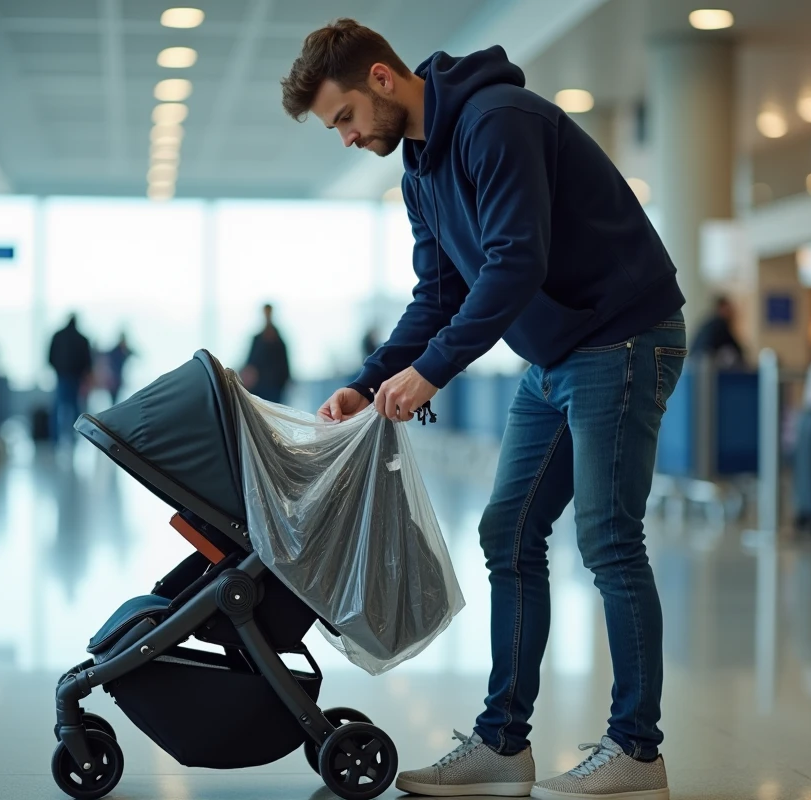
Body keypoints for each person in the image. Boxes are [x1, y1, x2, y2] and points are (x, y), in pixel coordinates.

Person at [283, 20, 687, 800]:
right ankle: (503, 744)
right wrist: (368, 384)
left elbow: (514, 263)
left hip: (624, 337)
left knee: (608, 540)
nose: (346, 137)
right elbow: (438, 295)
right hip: (557, 353)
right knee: (508, 531)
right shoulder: (417, 169)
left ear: (381, 79)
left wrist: (432, 373)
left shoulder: (496, 123)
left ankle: (638, 750)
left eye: (343, 117)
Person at [47, 314, 93, 445]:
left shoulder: (58, 336)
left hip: (61, 376)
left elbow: (49, 357)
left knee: (57, 407)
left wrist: (58, 369)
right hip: (76, 378)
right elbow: (88, 362)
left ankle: (55, 438)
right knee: (75, 408)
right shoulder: (82, 339)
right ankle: (74, 436)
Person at [242, 304, 291, 404]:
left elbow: (284, 364)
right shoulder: (257, 339)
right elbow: (251, 363)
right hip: (259, 388)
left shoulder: (278, 340)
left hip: (274, 387)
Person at [689, 295, 744, 368]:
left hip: (694, 361)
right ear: (721, 308)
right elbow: (733, 345)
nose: (731, 312)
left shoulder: (710, 322)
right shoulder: (719, 323)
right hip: (703, 362)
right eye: (728, 309)